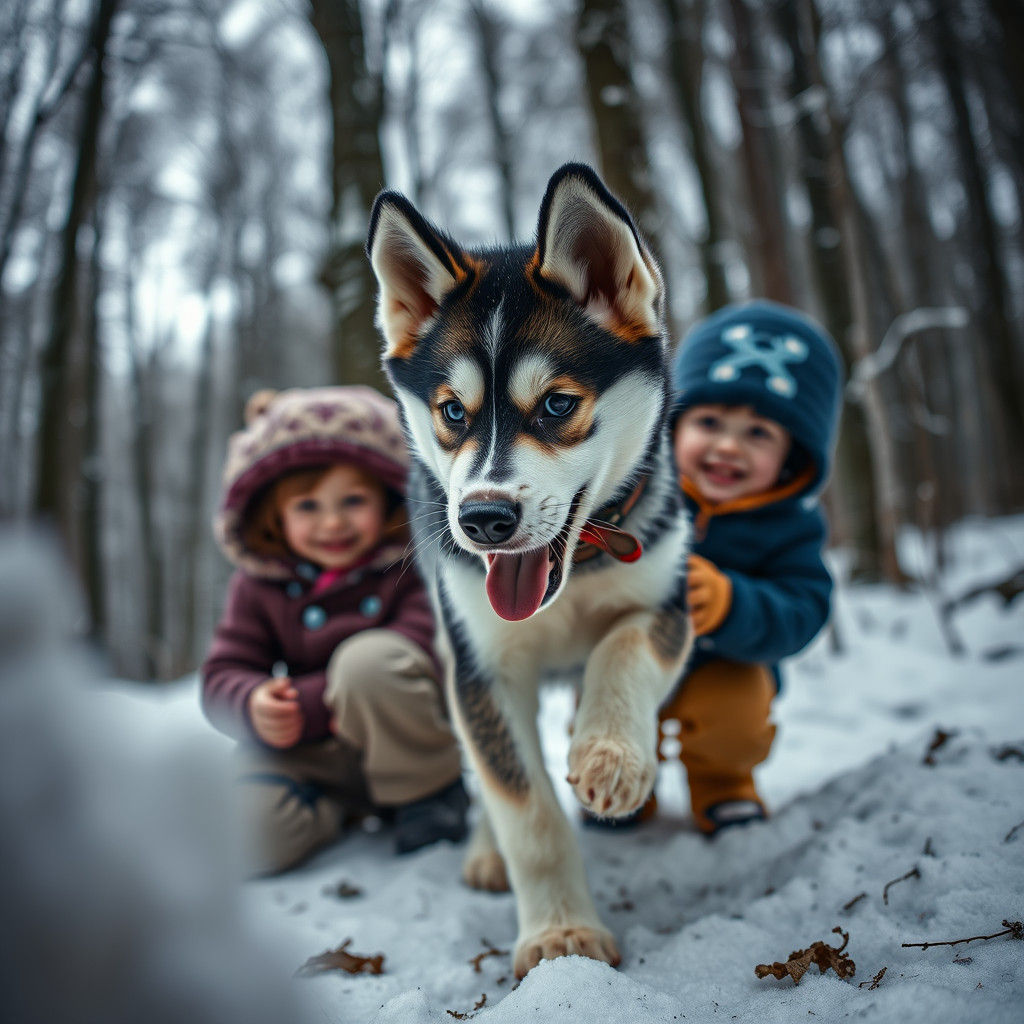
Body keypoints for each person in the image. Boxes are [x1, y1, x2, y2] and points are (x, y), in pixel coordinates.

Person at [202, 386, 467, 874]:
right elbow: (224, 670)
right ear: (273, 514)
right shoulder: (259, 585)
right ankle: (331, 807)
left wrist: (304, 703)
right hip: (308, 756)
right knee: (242, 840)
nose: (332, 522)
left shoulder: (409, 567)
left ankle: (430, 796)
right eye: (307, 506)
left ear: (390, 499)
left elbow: (423, 647)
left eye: (353, 501)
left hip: (399, 738)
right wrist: (253, 702)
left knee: (368, 663)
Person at [604, 300, 841, 835]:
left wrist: (734, 604)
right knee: (609, 700)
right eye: (709, 422)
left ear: (792, 456)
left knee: (735, 714)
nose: (729, 445)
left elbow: (805, 607)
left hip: (726, 664)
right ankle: (618, 784)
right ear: (672, 424)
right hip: (632, 652)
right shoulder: (635, 492)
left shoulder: (791, 527)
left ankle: (723, 785)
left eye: (760, 434)